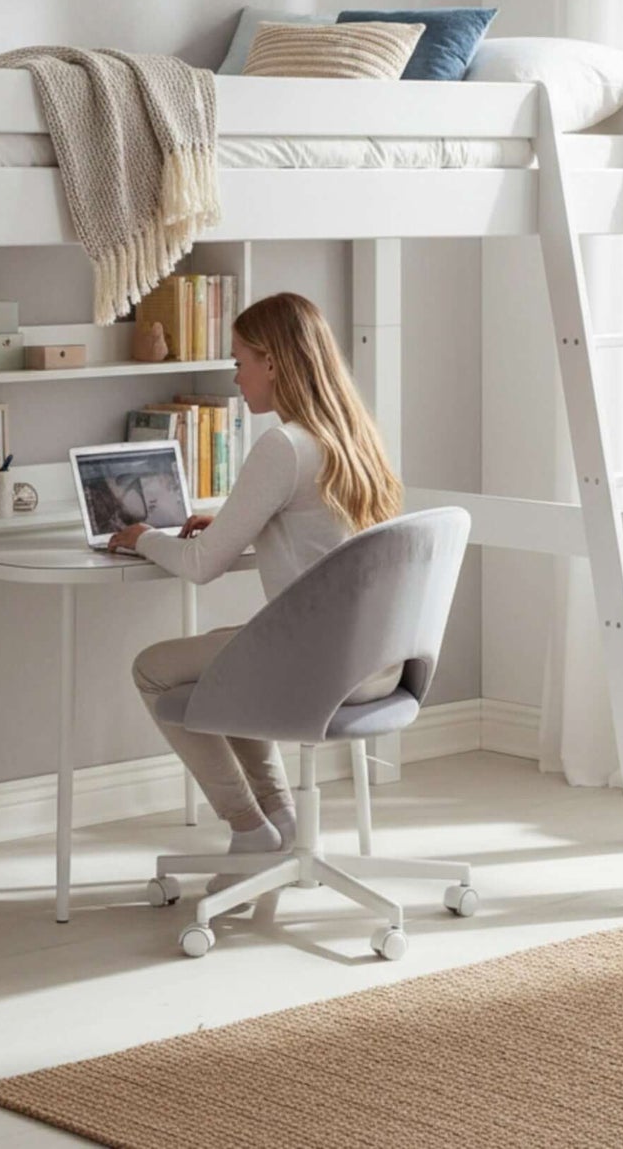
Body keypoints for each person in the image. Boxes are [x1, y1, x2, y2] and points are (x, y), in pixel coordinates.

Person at [110, 292, 403, 872]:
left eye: (240, 361)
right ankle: (280, 819)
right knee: (230, 663)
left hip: (321, 669)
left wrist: (139, 536)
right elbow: (319, 526)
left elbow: (200, 567)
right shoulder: (352, 438)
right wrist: (238, 519)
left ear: (273, 363)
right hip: (381, 664)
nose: (236, 377)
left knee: (153, 669)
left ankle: (249, 825)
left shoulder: (281, 446)